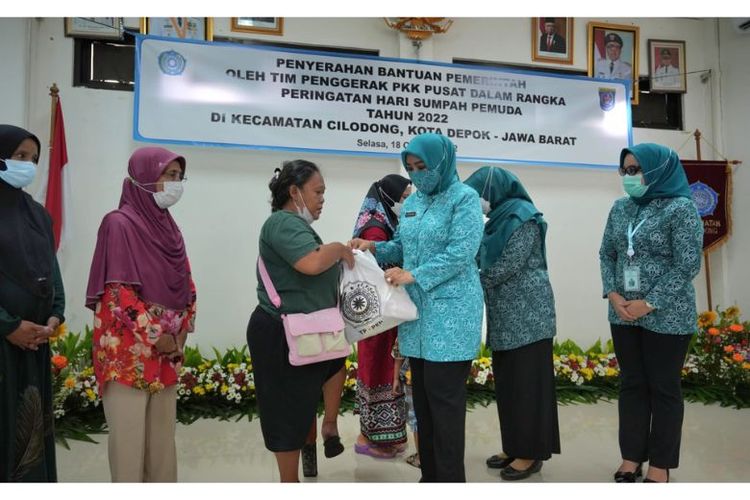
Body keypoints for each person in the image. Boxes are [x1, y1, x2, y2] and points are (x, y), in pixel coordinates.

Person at [349, 133, 484, 482]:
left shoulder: (464, 199)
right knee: (422, 406)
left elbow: (461, 251)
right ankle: (430, 479)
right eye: (411, 168)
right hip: (416, 319)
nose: (417, 174)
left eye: (422, 166)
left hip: (451, 318)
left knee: (446, 409)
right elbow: (402, 246)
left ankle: (451, 481)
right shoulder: (414, 203)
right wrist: (374, 249)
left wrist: (415, 274)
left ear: (441, 162)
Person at [85, 146, 197, 482]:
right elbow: (118, 293)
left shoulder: (170, 228)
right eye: (169, 176)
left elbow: (187, 285)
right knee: (129, 444)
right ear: (144, 176)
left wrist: (180, 333)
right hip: (127, 353)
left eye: (179, 177)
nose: (176, 184)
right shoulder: (118, 224)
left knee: (162, 446)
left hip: (167, 352)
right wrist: (157, 335)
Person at [599, 143, 703, 483]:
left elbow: (687, 263)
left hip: (667, 316)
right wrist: (612, 293)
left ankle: (660, 465)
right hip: (624, 314)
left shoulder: (681, 209)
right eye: (625, 171)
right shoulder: (620, 208)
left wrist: (650, 301)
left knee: (663, 388)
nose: (629, 177)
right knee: (632, 385)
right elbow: (607, 254)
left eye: (636, 170)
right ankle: (631, 458)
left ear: (657, 171)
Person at [247, 160, 354, 483]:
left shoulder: (298, 226)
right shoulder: (282, 223)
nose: (322, 199)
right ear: (294, 192)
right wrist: (337, 248)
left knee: (319, 383)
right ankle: (288, 482)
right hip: (281, 333)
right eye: (317, 191)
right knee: (286, 411)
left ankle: (325, 429)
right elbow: (311, 263)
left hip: (309, 329)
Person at [465, 166, 561, 481]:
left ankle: (531, 452)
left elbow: (507, 265)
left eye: (480, 195)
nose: (478, 201)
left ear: (495, 192)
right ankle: (514, 445)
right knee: (509, 386)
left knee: (528, 388)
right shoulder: (495, 222)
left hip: (530, 319)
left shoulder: (523, 217)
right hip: (506, 319)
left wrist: (467, 282)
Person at [0, 125, 65, 482]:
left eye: (33, 159)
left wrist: (55, 314)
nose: (27, 165)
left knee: (30, 438)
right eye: (19, 156)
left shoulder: (38, 214)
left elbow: (51, 272)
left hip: (34, 347)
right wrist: (9, 325)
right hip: (3, 343)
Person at [351, 174, 412, 459]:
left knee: (379, 372)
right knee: (381, 373)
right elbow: (384, 270)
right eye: (403, 198)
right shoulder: (376, 229)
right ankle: (373, 439)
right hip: (382, 322)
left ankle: (378, 437)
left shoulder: (381, 221)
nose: (407, 202)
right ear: (389, 198)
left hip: (377, 318)